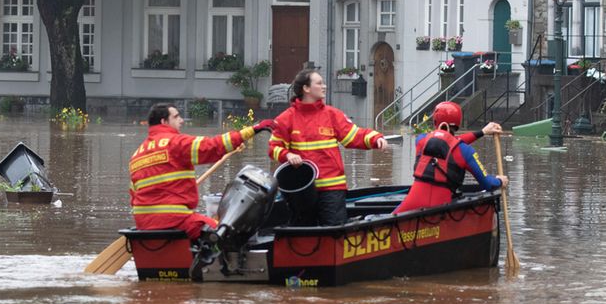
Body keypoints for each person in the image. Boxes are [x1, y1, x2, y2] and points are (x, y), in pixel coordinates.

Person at [129, 103, 273, 240]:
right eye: (176, 116)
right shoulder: (175, 143)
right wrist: (252, 130)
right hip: (174, 220)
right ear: (164, 121)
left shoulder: (136, 155)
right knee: (224, 233)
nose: (181, 120)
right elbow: (211, 146)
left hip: (144, 223)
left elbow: (133, 194)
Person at [269, 69, 388, 226]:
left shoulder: (332, 115)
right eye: (319, 83)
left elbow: (352, 136)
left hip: (332, 188)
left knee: (334, 232)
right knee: (303, 232)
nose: (324, 86)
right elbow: (273, 148)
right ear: (306, 88)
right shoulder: (286, 119)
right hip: (302, 191)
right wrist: (287, 155)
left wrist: (374, 138)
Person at [393, 101, 508, 214]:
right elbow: (488, 184)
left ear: (435, 121)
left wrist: (482, 132)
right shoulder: (466, 151)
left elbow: (449, 141)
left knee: (394, 216)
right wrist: (499, 181)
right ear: (458, 123)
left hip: (411, 204)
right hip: (441, 209)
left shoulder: (421, 140)